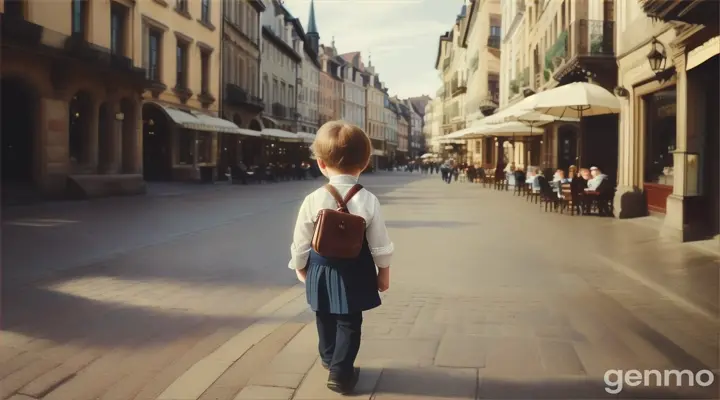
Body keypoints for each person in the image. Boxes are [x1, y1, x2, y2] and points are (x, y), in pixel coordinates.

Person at [289, 121, 393, 394]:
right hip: (356, 268)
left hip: (320, 266)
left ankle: (328, 358)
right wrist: (383, 271)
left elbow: (301, 239)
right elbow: (379, 242)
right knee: (350, 320)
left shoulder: (313, 198)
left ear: (321, 164)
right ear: (366, 162)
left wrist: (300, 266)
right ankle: (341, 371)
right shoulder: (368, 199)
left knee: (322, 313)